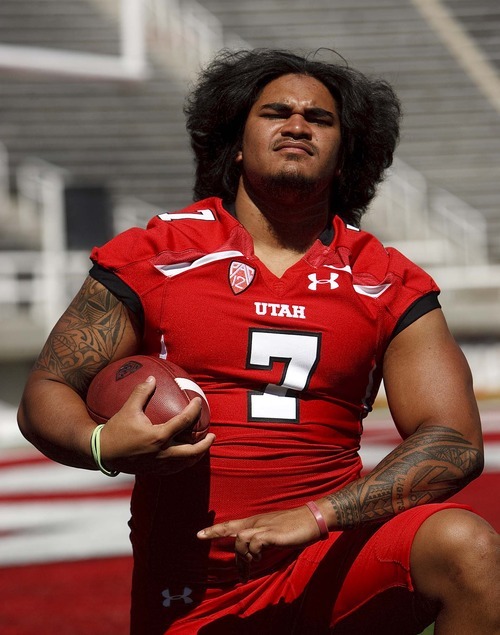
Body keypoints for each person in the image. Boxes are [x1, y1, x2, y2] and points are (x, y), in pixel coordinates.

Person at [18, 49, 500, 634]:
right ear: (236, 144)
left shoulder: (385, 280)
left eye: (320, 119)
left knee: (467, 547)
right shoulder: (157, 255)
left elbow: (453, 441)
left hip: (326, 560)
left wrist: (317, 516)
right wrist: (100, 444)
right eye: (277, 112)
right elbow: (47, 387)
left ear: (347, 156)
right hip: (194, 583)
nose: (298, 124)